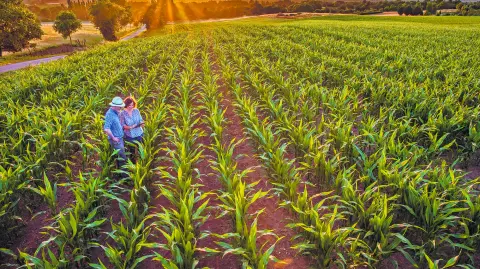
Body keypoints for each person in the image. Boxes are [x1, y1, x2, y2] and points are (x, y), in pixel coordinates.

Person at [104, 96, 127, 173]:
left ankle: (120, 173)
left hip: (119, 138)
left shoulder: (115, 112)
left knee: (120, 157)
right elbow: (106, 128)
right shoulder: (110, 114)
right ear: (114, 106)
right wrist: (113, 138)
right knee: (122, 157)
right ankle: (124, 176)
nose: (121, 108)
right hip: (116, 140)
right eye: (119, 107)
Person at [120, 96, 145, 162]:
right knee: (132, 152)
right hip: (130, 136)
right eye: (129, 105)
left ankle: (141, 164)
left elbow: (140, 119)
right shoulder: (122, 113)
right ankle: (133, 166)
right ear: (126, 105)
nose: (131, 106)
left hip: (139, 133)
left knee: (141, 150)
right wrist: (130, 127)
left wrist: (142, 123)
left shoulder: (136, 111)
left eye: (132, 105)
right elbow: (122, 125)